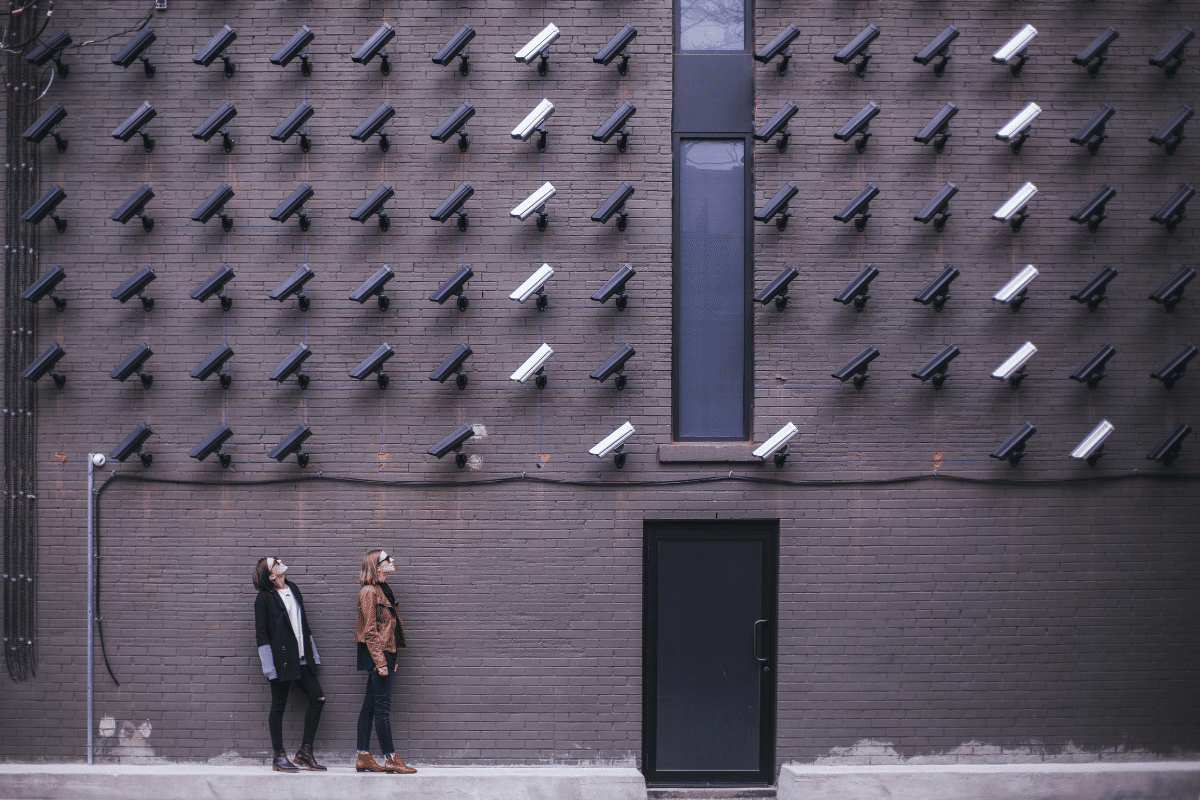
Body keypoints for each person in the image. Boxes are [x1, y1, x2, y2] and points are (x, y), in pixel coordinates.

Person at [252, 556, 327, 772]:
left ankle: (304, 752)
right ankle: (278, 757)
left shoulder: (293, 587)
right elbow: (262, 635)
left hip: (303, 657)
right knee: (278, 706)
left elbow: (303, 623)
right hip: (281, 661)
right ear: (271, 575)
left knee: (318, 698)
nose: (279, 561)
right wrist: (269, 668)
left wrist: (313, 654)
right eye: (274, 562)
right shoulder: (263, 599)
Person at [354, 549, 417, 774]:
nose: (392, 560)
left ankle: (362, 756)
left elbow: (389, 628)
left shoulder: (382, 589)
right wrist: (381, 661)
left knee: (370, 707)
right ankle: (390, 757)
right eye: (387, 559)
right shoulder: (369, 592)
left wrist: (393, 657)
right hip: (376, 654)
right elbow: (370, 630)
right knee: (383, 709)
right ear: (377, 566)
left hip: (384, 653)